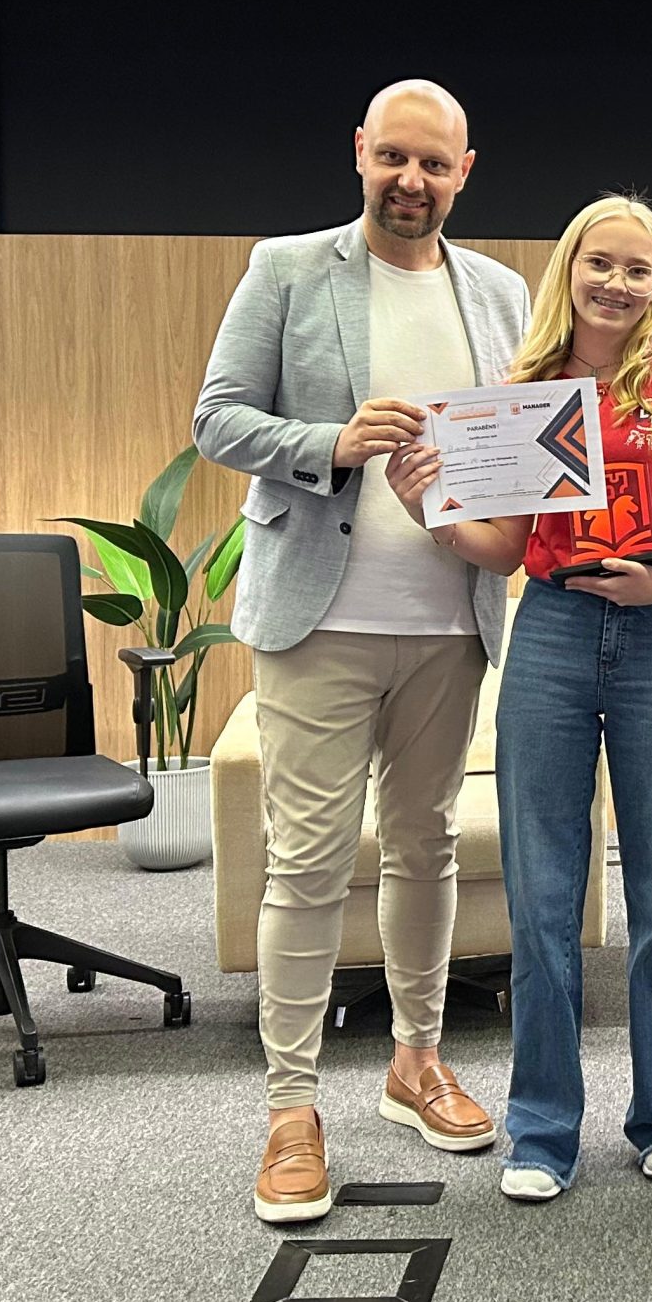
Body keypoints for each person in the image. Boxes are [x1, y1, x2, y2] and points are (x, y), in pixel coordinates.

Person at [193, 78, 531, 1225]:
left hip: (452, 619)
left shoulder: (499, 292)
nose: (410, 181)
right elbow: (217, 417)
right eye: (393, 157)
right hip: (319, 621)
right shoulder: (288, 269)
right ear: (358, 153)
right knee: (307, 862)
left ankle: (415, 1060)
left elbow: (517, 450)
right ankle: (291, 1110)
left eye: (433, 164)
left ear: (464, 172)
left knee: (425, 847)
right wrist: (329, 443)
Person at [387, 196, 652, 1201]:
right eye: (601, 264)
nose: (617, 284)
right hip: (550, 634)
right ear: (569, 270)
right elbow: (503, 550)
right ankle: (542, 1132)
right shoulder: (524, 391)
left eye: (638, 268)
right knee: (542, 899)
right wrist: (429, 509)